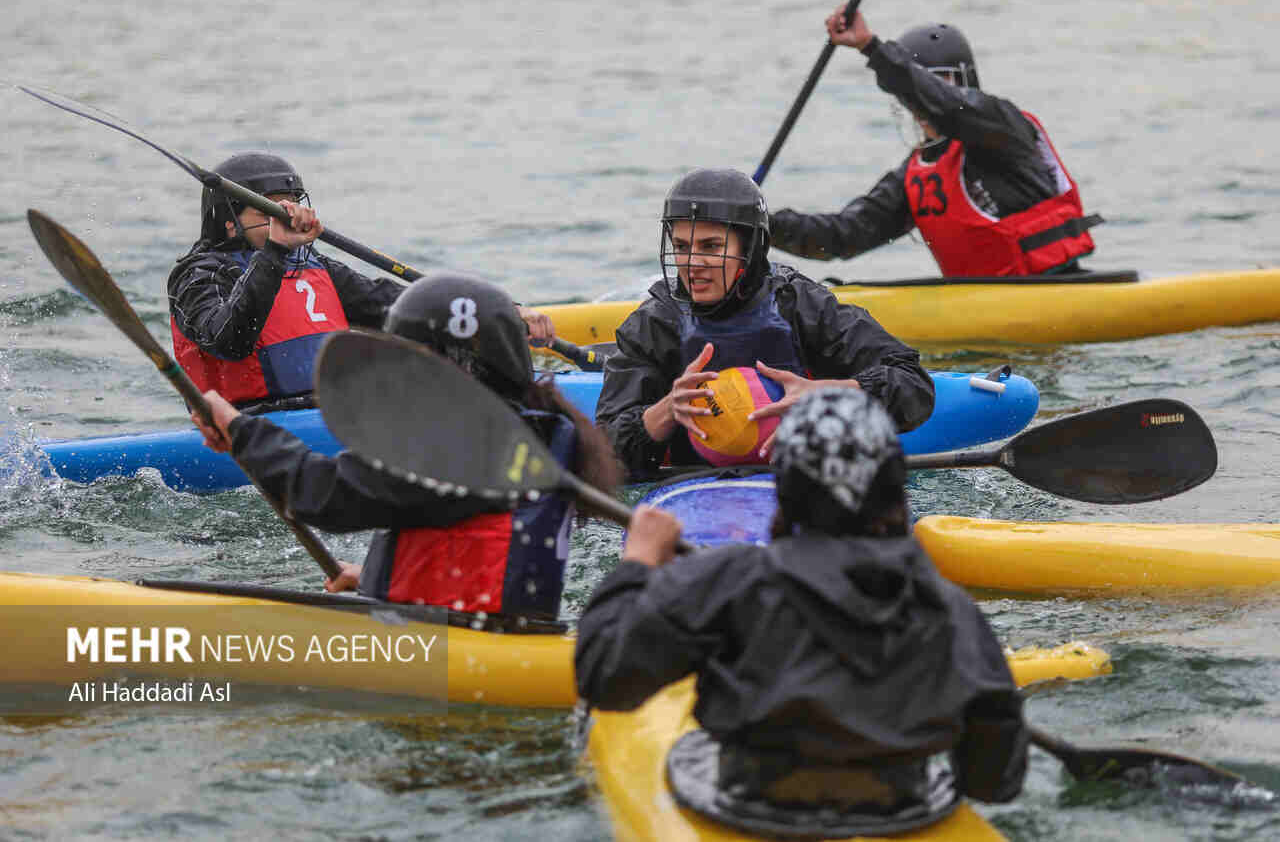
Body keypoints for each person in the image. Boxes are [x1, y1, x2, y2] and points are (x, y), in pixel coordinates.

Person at [576, 388, 1028, 837]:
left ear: (785, 489)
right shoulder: (949, 607)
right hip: (898, 806)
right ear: (894, 490)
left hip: (750, 800)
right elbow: (993, 781)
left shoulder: (730, 581)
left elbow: (603, 676)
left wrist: (637, 564)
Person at [190, 274, 622, 620]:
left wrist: (241, 429)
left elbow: (323, 495)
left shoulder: (457, 444)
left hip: (457, 657)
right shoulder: (546, 428)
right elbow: (470, 533)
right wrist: (374, 576)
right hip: (502, 633)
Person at [594, 167, 934, 478]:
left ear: (750, 248)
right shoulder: (654, 324)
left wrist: (826, 396)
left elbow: (914, 384)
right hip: (692, 488)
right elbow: (604, 454)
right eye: (681, 246)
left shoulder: (801, 305)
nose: (692, 262)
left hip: (804, 480)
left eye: (710, 246)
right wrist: (666, 410)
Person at [169, 152, 556, 412]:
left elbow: (395, 307)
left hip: (334, 410)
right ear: (228, 221)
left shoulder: (311, 265)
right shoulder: (197, 275)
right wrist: (274, 251)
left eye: (291, 205)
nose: (287, 217)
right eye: (270, 210)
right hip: (252, 422)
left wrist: (498, 313)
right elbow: (230, 341)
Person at [769, 6, 1101, 279]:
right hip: (980, 310)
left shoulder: (1002, 125)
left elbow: (945, 106)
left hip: (1054, 286)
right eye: (920, 83)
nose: (921, 101)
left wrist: (871, 47)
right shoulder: (916, 175)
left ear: (965, 81)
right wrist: (761, 225)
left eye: (937, 81)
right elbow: (844, 235)